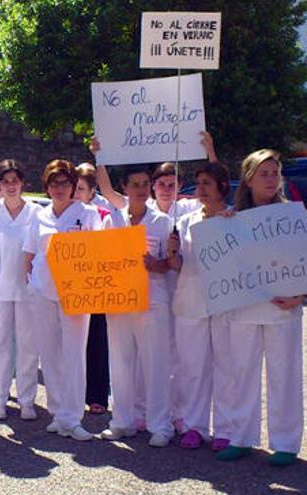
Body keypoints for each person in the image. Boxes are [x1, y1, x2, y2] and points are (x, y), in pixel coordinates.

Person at [216, 149, 303, 466]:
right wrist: (221, 229)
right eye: (263, 172)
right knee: (241, 374)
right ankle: (241, 437)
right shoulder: (232, 218)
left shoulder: (294, 216)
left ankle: (286, 443)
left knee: (285, 376)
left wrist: (301, 296)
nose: (270, 178)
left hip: (284, 309)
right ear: (249, 178)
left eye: (275, 172)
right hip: (243, 308)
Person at [23, 159, 103, 441]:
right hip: (43, 292)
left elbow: (100, 252)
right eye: (54, 183)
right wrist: (31, 283)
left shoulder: (89, 214)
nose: (59, 188)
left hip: (76, 293)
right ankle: (58, 413)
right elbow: (29, 254)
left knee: (74, 354)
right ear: (46, 187)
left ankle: (73, 417)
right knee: (50, 354)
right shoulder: (39, 215)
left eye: (65, 183)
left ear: (73, 186)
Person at [99, 167, 175, 448]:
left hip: (153, 300)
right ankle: (122, 421)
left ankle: (160, 425)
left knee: (155, 364)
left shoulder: (162, 221)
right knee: (120, 362)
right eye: (136, 184)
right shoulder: (114, 220)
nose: (142, 189)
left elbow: (172, 261)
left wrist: (159, 265)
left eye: (146, 184)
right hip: (119, 301)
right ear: (125, 187)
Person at [167, 162, 235, 452]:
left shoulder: (235, 219)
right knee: (192, 367)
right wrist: (172, 253)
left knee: (225, 367)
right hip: (191, 300)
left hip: (224, 302)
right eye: (199, 184)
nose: (202, 190)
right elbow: (179, 266)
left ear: (221, 186)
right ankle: (194, 426)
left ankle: (226, 428)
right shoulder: (186, 222)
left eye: (208, 183)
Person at [0, 160, 42, 421]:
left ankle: (27, 401)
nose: (11, 186)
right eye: (5, 182)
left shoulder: (36, 212)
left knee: (28, 347)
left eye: (15, 181)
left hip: (29, 290)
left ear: (22, 183)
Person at [74, 164, 111, 416]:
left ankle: (97, 395)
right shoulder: (58, 214)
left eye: (80, 189)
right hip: (69, 287)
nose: (75, 193)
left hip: (95, 287)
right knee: (71, 344)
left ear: (91, 191)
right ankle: (72, 395)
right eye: (72, 188)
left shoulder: (103, 214)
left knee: (96, 341)